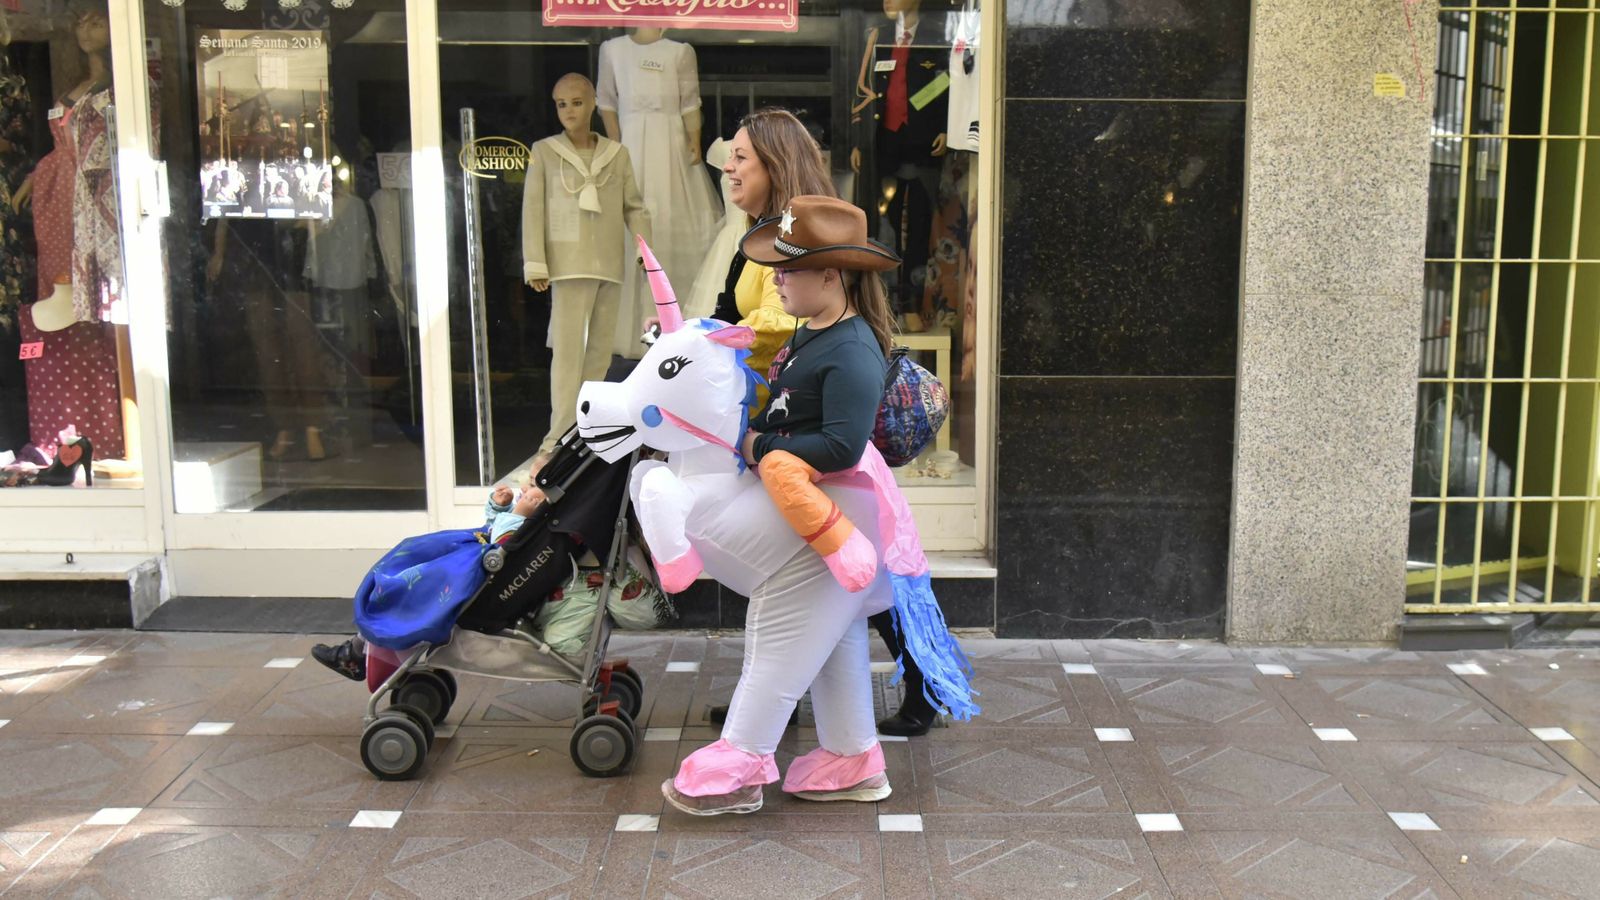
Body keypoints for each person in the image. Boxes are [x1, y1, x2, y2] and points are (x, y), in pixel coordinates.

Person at [661, 195, 969, 816]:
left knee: (779, 634)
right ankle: (853, 759)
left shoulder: (852, 349)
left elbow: (840, 444)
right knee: (833, 642)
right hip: (823, 520)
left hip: (829, 524)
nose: (776, 278)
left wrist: (759, 444)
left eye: (788, 268)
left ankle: (740, 763)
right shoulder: (812, 334)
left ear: (831, 276)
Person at [667, 109, 828, 409]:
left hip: (776, 423)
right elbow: (728, 313)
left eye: (740, 158)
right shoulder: (759, 233)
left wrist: (698, 342)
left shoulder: (792, 240)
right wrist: (684, 332)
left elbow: (779, 323)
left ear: (775, 166)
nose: (727, 167)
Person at [312, 477, 546, 680]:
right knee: (405, 568)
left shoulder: (532, 524)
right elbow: (496, 530)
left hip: (463, 572)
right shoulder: (531, 519)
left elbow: (503, 541)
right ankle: (361, 650)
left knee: (405, 588)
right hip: (465, 558)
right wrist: (500, 507)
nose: (524, 487)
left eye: (534, 483)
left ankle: (357, 653)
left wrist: (518, 514)